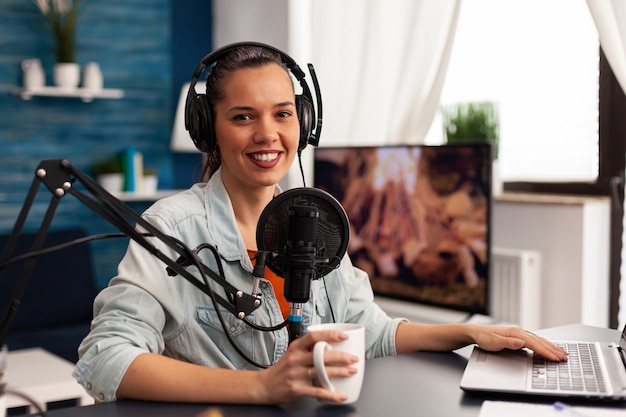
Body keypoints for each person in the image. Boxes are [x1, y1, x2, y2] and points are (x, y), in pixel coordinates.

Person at [73, 43, 567, 405]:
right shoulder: (173, 227)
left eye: (282, 113)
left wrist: (468, 334)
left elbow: (368, 331)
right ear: (208, 128)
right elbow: (105, 358)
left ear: (303, 123)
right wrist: (261, 387)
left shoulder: (314, 218)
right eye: (243, 117)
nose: (267, 134)